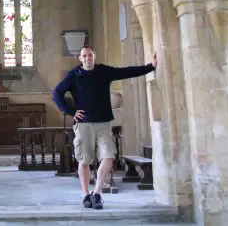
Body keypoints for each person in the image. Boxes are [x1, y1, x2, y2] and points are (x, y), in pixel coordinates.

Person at [52, 46, 157, 210]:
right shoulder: (74, 75)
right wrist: (71, 112)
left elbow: (126, 72)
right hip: (84, 124)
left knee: (108, 157)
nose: (88, 58)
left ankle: (97, 193)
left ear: (94, 55)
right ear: (80, 58)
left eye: (90, 55)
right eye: (84, 56)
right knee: (84, 160)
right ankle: (86, 195)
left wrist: (150, 66)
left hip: (103, 123)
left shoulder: (103, 71)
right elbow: (57, 93)